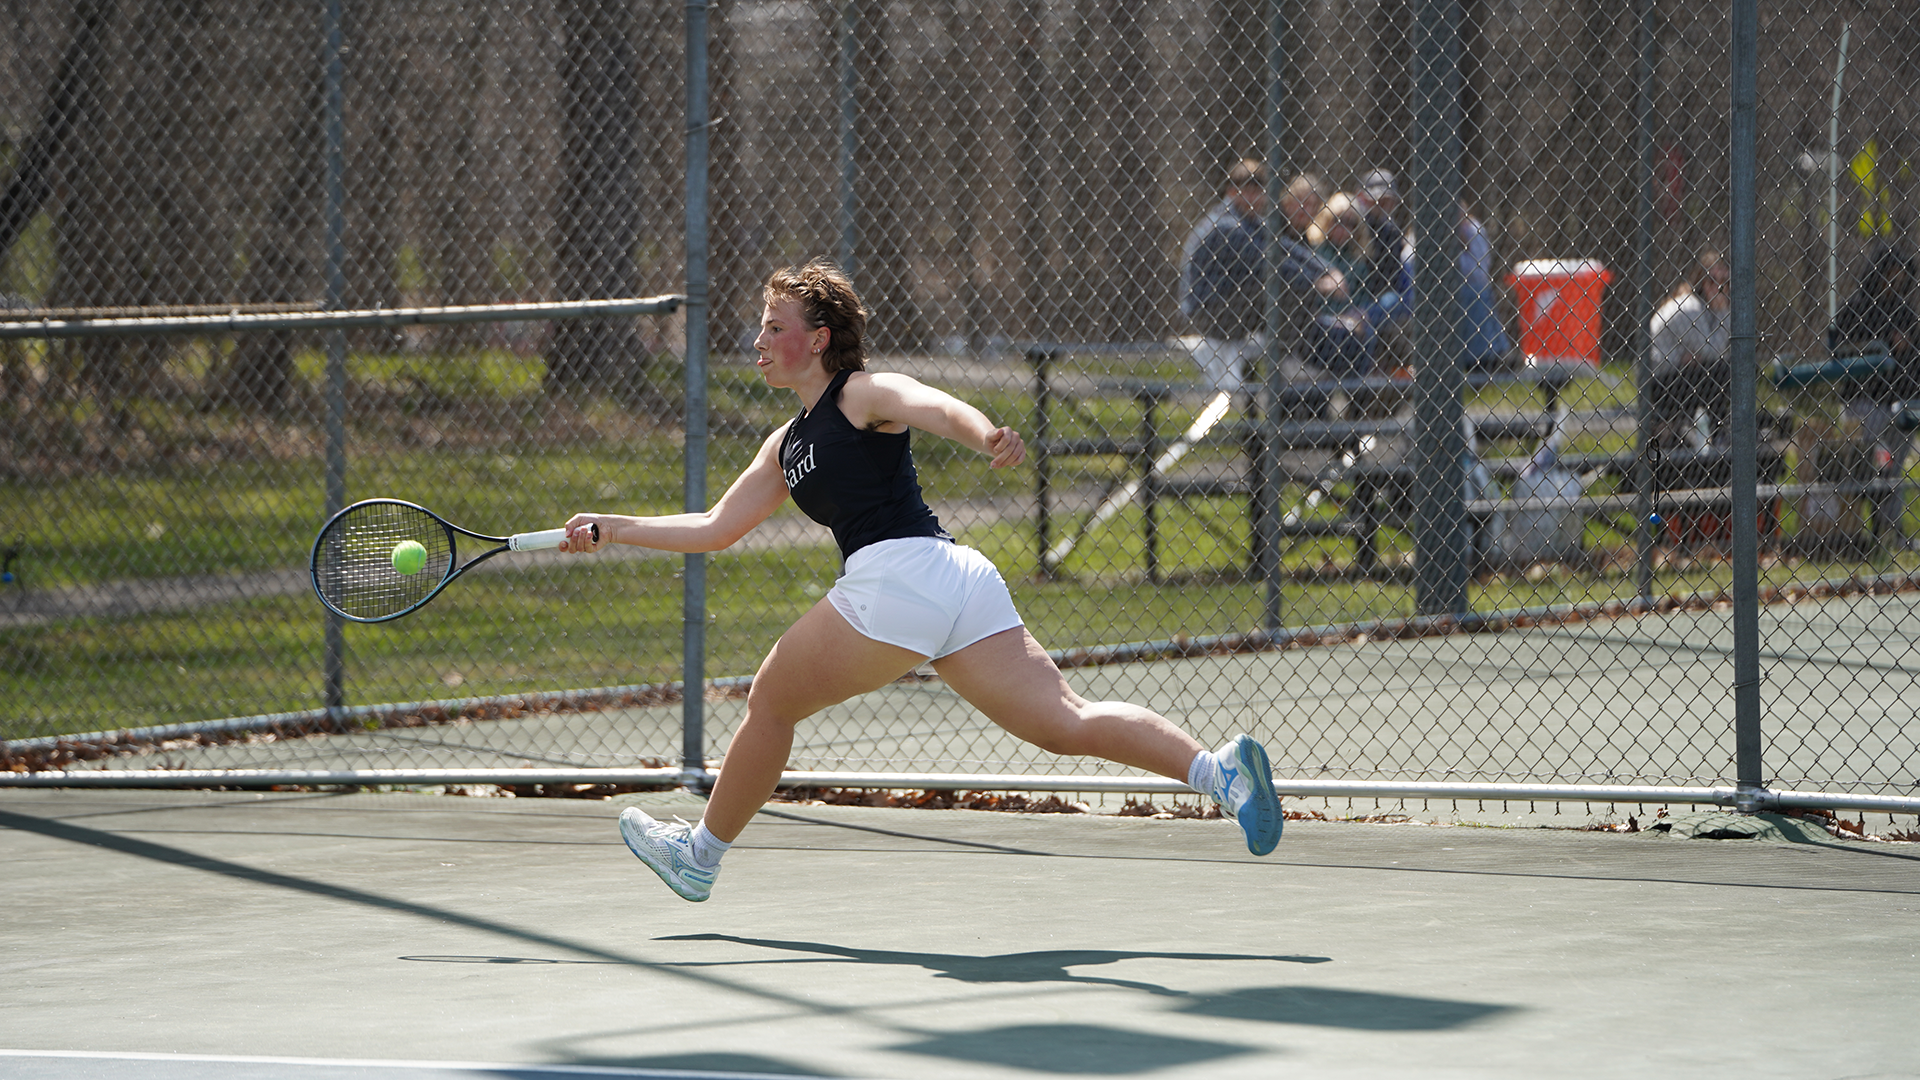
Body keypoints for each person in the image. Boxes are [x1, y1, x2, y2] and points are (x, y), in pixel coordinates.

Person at [557, 259, 1286, 902]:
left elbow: (931, 404)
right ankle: (1218, 773)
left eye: (774, 326)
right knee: (1064, 722)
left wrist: (984, 433)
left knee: (771, 700)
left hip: (901, 577)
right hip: (955, 583)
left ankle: (699, 858)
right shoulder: (783, 445)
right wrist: (614, 527)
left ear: (817, 339)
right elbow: (717, 526)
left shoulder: (859, 393)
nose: (758, 340)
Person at [1178, 161, 1344, 392]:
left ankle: (1291, 357)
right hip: (1206, 312)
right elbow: (1270, 261)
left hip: (1231, 305)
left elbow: (1285, 247)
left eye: (1261, 192)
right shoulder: (1226, 226)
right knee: (1284, 285)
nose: (1258, 199)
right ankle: (1288, 360)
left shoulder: (1250, 220)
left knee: (1282, 284)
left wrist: (1329, 270)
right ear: (1233, 192)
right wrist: (1317, 282)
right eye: (1250, 192)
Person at [1304, 193, 1411, 378]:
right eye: (1338, 221)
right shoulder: (1316, 252)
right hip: (1323, 318)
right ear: (1327, 221)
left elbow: (1362, 295)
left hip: (1353, 318)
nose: (1343, 228)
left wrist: (1361, 313)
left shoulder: (1358, 257)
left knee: (1381, 316)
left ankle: (1359, 389)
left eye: (1350, 223)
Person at [1646, 250, 1731, 448]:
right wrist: (1724, 311)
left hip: (1675, 375)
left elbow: (1713, 351)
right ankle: (1719, 434)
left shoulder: (1703, 308)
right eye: (1712, 281)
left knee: (1721, 368)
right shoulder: (1690, 308)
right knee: (1721, 372)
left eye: (1724, 282)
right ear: (1701, 283)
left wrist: (1700, 357)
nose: (1720, 288)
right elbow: (1715, 352)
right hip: (1658, 380)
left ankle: (1713, 432)